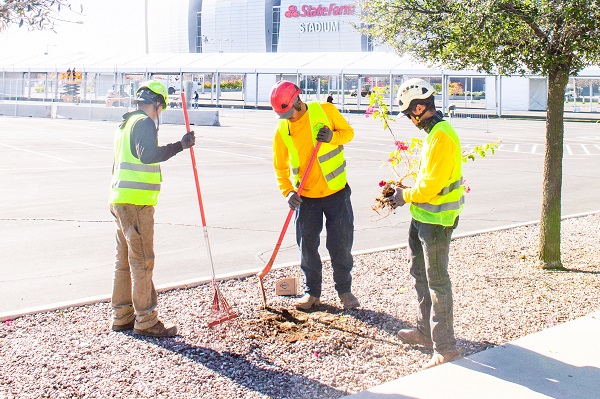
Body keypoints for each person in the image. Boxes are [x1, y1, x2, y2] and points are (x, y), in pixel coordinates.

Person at [385, 78, 465, 369]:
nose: (409, 119)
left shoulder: (442, 136)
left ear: (420, 107)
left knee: (438, 283)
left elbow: (431, 186)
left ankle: (446, 347)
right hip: (422, 217)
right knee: (420, 275)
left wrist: (404, 196)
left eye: (409, 113)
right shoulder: (433, 134)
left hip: (436, 221)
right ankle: (424, 332)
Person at [109, 80, 196, 337]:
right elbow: (147, 155)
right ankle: (146, 320)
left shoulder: (124, 124)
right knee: (142, 261)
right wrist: (180, 145)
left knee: (123, 261)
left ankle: (122, 315)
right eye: (161, 109)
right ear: (157, 105)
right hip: (136, 204)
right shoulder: (144, 123)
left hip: (121, 200)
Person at [270, 80, 359, 311]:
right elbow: (280, 167)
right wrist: (287, 191)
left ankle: (345, 291)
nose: (287, 117)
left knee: (340, 244)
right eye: (283, 115)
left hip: (336, 193)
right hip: (305, 198)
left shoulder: (325, 111)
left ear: (297, 101)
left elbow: (348, 134)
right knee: (307, 247)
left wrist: (332, 137)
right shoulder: (283, 129)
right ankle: (312, 293)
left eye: (288, 112)